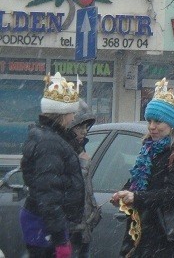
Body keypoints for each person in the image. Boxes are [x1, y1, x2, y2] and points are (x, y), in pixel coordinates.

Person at [112, 80, 174, 257]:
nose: (152, 127)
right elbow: (137, 183)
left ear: (171, 124)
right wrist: (123, 194)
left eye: (158, 122)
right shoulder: (147, 151)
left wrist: (137, 197)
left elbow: (173, 194)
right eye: (149, 120)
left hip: (164, 239)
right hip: (140, 233)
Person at [19, 73, 84, 258]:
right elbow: (49, 194)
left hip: (44, 224)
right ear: (64, 114)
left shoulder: (47, 138)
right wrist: (59, 239)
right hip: (45, 227)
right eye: (72, 112)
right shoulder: (50, 143)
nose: (74, 118)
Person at [68, 99, 101, 258]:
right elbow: (71, 189)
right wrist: (83, 166)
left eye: (86, 127)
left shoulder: (80, 150)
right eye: (80, 127)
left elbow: (86, 191)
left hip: (82, 231)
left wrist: (94, 212)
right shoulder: (64, 151)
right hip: (71, 231)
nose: (85, 131)